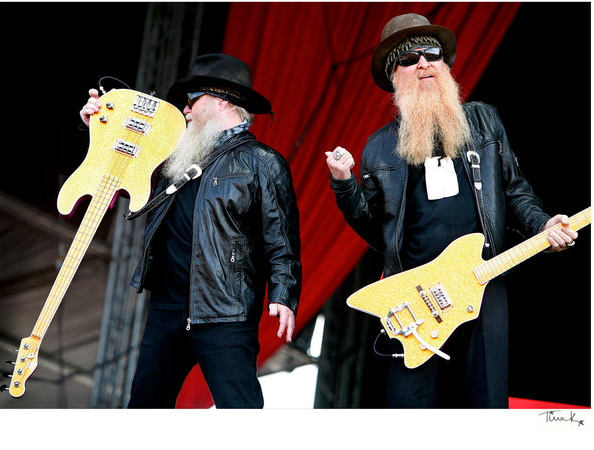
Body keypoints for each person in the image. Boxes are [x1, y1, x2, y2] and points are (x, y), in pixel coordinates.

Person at [324, 14, 578, 408]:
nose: (423, 63)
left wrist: (543, 226)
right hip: (416, 292)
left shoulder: (483, 119)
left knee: (487, 398)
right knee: (409, 404)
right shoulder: (378, 147)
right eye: (408, 59)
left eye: (432, 54)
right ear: (395, 76)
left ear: (445, 66)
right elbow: (377, 230)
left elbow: (515, 192)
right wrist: (343, 184)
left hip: (483, 278)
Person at [80, 53, 302, 408]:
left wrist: (283, 294)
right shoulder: (175, 153)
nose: (184, 110)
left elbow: (282, 240)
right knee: (144, 410)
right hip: (168, 307)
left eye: (191, 101)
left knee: (240, 411)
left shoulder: (263, 162)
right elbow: (118, 169)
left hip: (225, 310)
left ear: (221, 100)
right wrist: (99, 124)